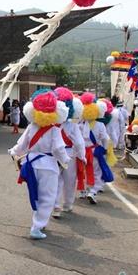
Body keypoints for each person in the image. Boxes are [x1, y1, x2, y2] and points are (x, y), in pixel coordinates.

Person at [9, 90, 69, 240]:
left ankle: (39, 222)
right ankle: (37, 226)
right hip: (48, 165)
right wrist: (65, 160)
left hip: (30, 164)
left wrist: (13, 151)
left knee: (35, 195)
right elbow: (58, 149)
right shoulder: (55, 129)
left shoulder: (31, 126)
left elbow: (21, 145)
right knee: (47, 197)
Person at [51, 88, 86, 218]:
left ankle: (55, 205)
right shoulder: (72, 125)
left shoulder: (51, 124)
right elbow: (79, 142)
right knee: (70, 181)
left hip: (54, 154)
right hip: (69, 155)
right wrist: (82, 156)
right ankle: (68, 204)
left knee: (55, 180)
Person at [77, 93, 113, 205]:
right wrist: (106, 149)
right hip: (94, 152)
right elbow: (106, 139)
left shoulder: (80, 125)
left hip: (82, 152)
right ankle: (92, 192)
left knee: (82, 172)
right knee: (97, 173)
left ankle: (83, 191)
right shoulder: (100, 125)